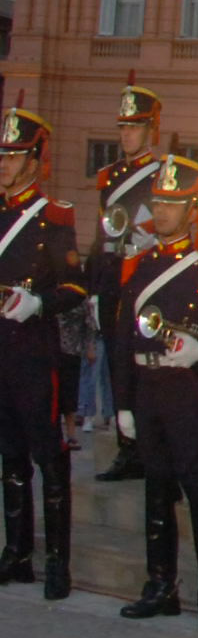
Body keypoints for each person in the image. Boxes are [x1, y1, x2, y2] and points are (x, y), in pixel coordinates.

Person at [111, 154, 198, 631]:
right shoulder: (139, 266)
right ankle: (160, 584)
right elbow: (122, 338)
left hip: (188, 392)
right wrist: (123, 402)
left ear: (193, 209)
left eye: (173, 203)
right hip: (148, 391)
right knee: (156, 492)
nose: (162, 211)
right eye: (158, 202)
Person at [0, 104, 84, 601]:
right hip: (0, 354)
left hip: (34, 354)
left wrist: (38, 303)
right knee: (9, 456)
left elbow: (75, 286)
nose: (4, 165)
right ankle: (17, 554)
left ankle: (57, 561)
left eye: (13, 157)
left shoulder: (53, 219)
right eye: (1, 156)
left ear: (34, 160)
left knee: (49, 458)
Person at [87, 77, 165, 485]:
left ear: (150, 129)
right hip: (115, 277)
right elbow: (102, 236)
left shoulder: (161, 174)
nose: (126, 134)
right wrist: (95, 289)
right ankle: (126, 446)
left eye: (133, 127)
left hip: (146, 277)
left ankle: (150, 445)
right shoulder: (110, 177)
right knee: (118, 365)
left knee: (146, 365)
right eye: (122, 127)